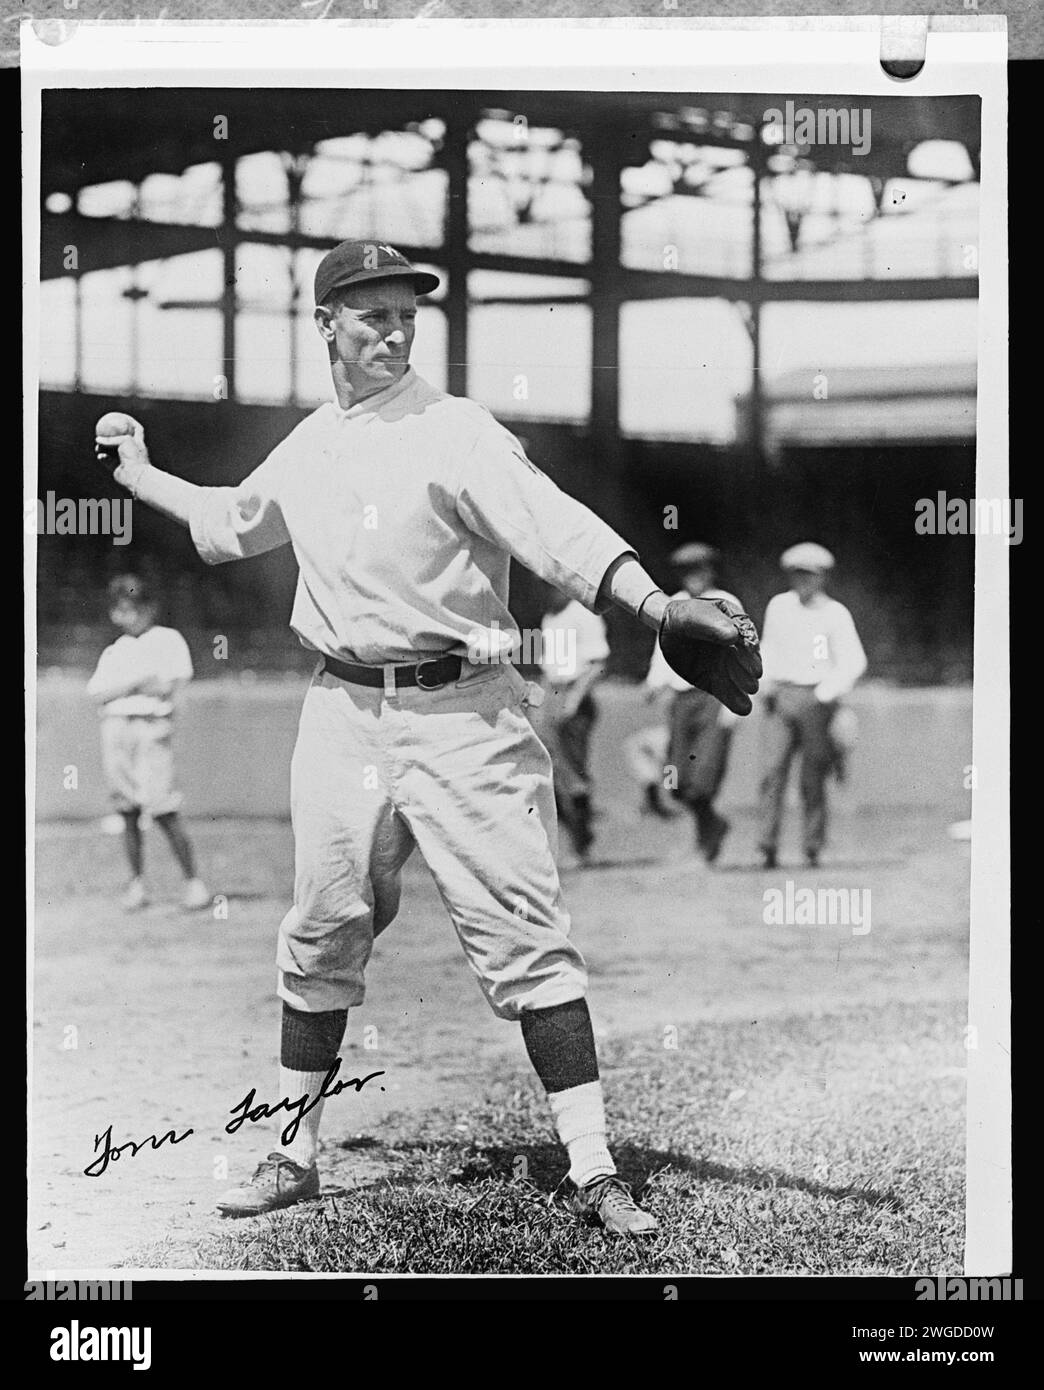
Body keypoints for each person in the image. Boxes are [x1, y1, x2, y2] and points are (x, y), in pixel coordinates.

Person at [92, 239, 758, 1238]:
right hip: (343, 707)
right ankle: (295, 1149)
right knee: (321, 929)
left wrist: (657, 603)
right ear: (326, 324)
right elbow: (227, 521)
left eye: (405, 311)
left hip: (464, 710)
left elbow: (558, 528)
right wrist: (140, 473)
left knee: (530, 941)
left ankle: (591, 1168)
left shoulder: (456, 431)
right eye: (369, 312)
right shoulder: (311, 445)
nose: (393, 327)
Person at [86, 574, 210, 912]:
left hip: (151, 727)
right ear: (114, 613)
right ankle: (137, 884)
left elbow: (167, 685)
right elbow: (98, 693)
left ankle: (192, 883)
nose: (130, 616)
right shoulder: (115, 650)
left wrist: (134, 685)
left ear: (150, 608)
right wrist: (135, 682)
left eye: (136, 608)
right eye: (123, 609)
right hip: (116, 728)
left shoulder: (167, 639)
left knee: (161, 805)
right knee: (126, 808)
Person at [757, 543, 867, 869]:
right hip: (781, 695)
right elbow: (769, 647)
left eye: (810, 575)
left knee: (812, 777)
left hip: (816, 700)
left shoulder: (835, 613)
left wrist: (825, 693)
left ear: (823, 578)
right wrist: (764, 684)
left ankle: (812, 846)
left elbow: (853, 661)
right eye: (797, 574)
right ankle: (767, 845)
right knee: (772, 771)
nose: (803, 581)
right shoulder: (779, 606)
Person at [643, 543, 743, 863]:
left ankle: (705, 840)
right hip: (681, 699)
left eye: (699, 570)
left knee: (703, 779)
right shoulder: (675, 603)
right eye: (687, 572)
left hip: (714, 696)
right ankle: (713, 826)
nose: (693, 578)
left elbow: (741, 653)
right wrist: (654, 682)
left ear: (711, 571)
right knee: (675, 778)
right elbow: (665, 648)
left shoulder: (726, 602)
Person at [536, 592, 610, 864]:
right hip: (551, 693)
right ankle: (571, 839)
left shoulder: (583, 613)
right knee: (545, 768)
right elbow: (548, 664)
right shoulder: (550, 615)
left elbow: (599, 663)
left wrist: (574, 700)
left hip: (575, 695)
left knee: (573, 773)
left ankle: (582, 844)